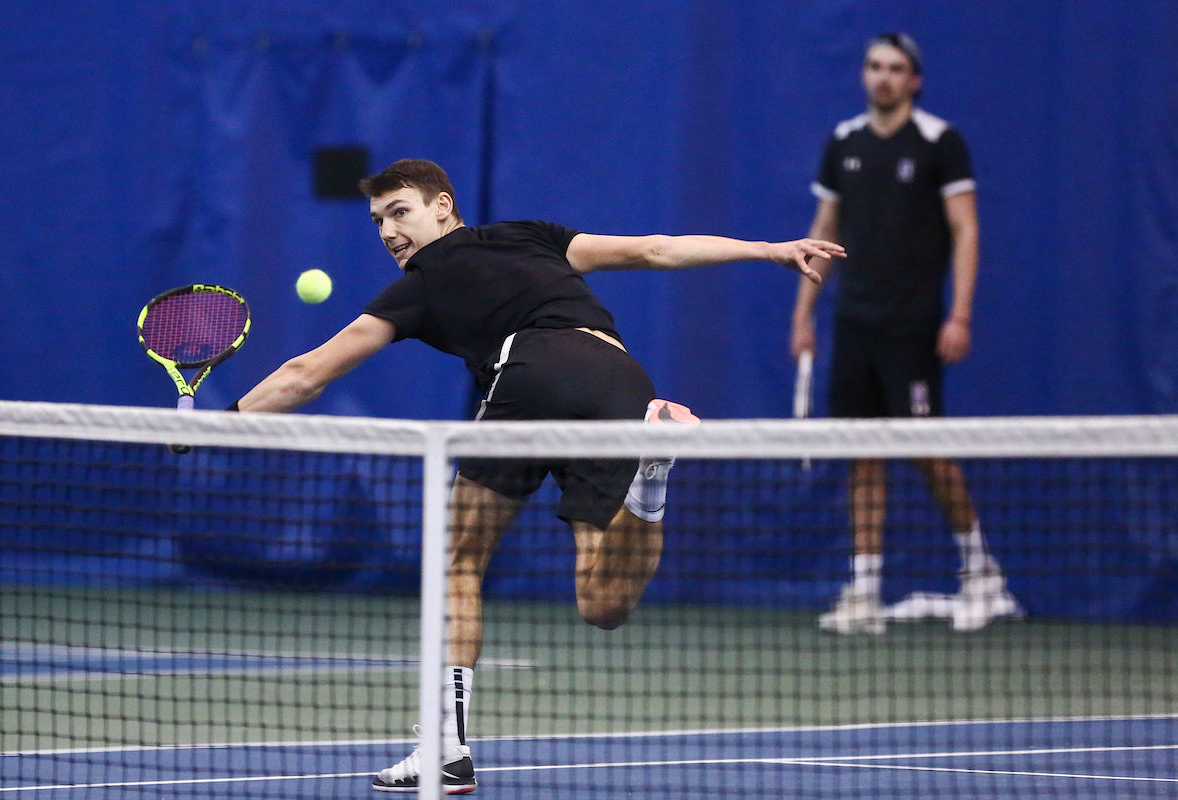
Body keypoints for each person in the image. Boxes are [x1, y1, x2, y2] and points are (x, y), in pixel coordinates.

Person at [231, 158, 845, 793]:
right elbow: (653, 250)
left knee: (457, 560)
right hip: (621, 379)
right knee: (602, 603)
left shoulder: (419, 284)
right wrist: (768, 249)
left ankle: (445, 747)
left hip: (530, 370)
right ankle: (651, 477)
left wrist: (220, 423)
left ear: (443, 206)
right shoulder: (533, 234)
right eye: (379, 220)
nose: (389, 232)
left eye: (401, 212)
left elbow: (310, 372)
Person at [790, 33, 1022, 635]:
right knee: (862, 455)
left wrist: (960, 314)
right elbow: (823, 231)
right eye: (874, 67)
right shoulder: (843, 144)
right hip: (854, 324)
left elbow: (966, 230)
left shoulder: (941, 142)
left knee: (927, 450)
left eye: (895, 69)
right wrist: (803, 314)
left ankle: (982, 573)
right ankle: (864, 590)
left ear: (914, 80)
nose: (883, 77)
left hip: (913, 325)